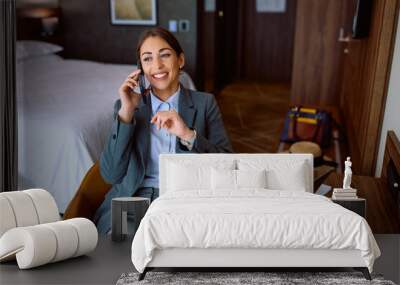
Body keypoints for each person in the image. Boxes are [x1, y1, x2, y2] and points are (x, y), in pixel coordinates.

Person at [94, 27, 233, 234]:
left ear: (180, 60)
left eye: (165, 55)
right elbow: (111, 175)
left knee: (178, 254)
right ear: (140, 67)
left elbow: (227, 166)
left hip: (183, 201)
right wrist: (126, 113)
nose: (157, 65)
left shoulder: (205, 104)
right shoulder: (126, 108)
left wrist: (187, 134)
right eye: (147, 59)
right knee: (122, 256)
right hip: (132, 201)